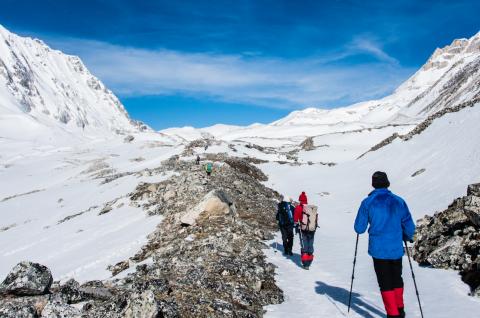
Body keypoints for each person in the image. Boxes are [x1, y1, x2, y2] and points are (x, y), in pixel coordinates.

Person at [354, 171, 415, 318]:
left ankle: (393, 314)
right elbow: (409, 225)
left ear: (373, 184)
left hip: (378, 250)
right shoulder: (399, 201)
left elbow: (359, 228)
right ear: (387, 183)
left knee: (385, 282)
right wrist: (406, 236)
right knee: (397, 278)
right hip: (395, 248)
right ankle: (400, 309)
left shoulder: (367, 202)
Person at [294, 191, 317, 269]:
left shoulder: (298, 207)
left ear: (300, 200)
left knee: (304, 245)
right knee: (310, 244)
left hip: (302, 229)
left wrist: (296, 225)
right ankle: (309, 261)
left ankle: (305, 264)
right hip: (312, 229)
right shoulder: (310, 208)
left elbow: (295, 219)